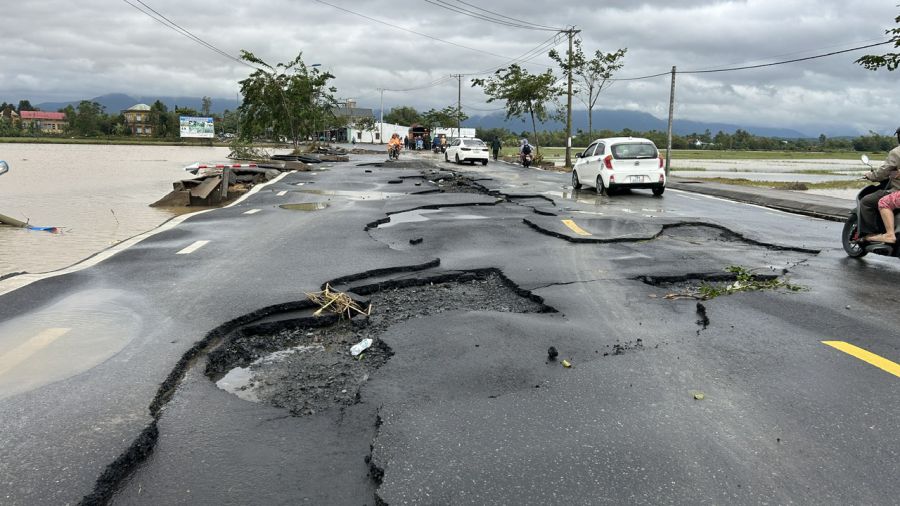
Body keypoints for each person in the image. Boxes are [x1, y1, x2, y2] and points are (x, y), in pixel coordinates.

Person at [860, 126, 900, 242]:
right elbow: (892, 173)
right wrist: (894, 174)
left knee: (868, 201)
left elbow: (883, 171)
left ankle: (881, 234)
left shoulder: (897, 152)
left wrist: (871, 176)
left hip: (897, 191)